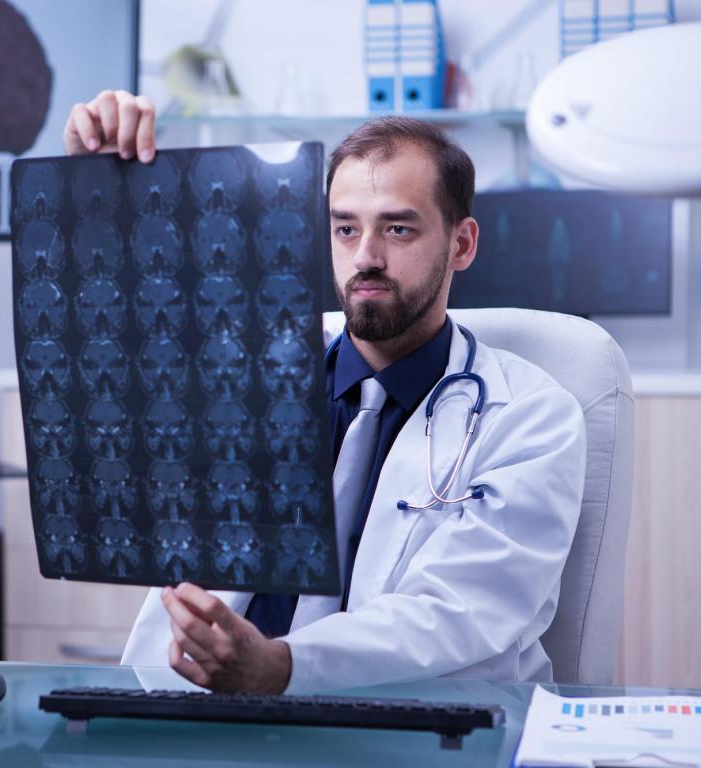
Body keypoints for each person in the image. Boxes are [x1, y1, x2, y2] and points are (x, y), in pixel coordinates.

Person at [63, 90, 587, 695]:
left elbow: (457, 613)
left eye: (398, 228)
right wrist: (97, 187)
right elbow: (109, 349)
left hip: (412, 732)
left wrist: (281, 668)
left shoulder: (531, 417)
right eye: (345, 228)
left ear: (461, 244)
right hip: (204, 717)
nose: (365, 257)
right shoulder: (241, 367)